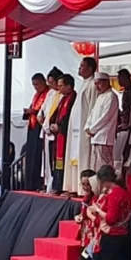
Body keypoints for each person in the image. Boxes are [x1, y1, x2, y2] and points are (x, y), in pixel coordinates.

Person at [65, 57, 99, 194]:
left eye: (82, 65)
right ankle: (74, 186)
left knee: (83, 155)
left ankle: (84, 189)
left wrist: (90, 126)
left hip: (84, 128)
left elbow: (92, 108)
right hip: (75, 128)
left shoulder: (92, 85)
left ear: (90, 68)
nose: (79, 68)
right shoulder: (83, 83)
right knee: (74, 154)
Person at [69, 169, 100, 260]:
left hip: (94, 239)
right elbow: (83, 215)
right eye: (83, 184)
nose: (85, 187)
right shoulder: (86, 198)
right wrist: (80, 217)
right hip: (86, 236)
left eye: (88, 184)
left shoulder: (97, 199)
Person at [46, 74, 79, 194]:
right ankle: (57, 185)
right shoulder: (63, 98)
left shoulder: (73, 98)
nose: (58, 88)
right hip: (58, 135)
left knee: (63, 161)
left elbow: (69, 117)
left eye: (61, 86)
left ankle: (62, 186)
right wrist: (52, 124)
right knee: (57, 161)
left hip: (66, 135)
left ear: (69, 86)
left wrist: (59, 127)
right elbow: (55, 114)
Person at [85, 72, 120, 170]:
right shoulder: (100, 96)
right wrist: (87, 126)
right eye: (95, 84)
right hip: (95, 137)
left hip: (104, 137)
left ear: (106, 82)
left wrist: (92, 129)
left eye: (98, 83)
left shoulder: (111, 96)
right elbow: (92, 113)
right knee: (94, 167)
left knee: (104, 167)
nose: (97, 87)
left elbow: (106, 117)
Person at [22, 72, 51, 191]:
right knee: (31, 156)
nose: (35, 87)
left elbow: (43, 110)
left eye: (37, 84)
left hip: (40, 127)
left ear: (44, 82)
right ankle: (29, 183)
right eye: (33, 85)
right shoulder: (36, 96)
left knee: (39, 157)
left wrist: (33, 111)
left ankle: (38, 183)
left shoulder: (48, 94)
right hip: (32, 127)